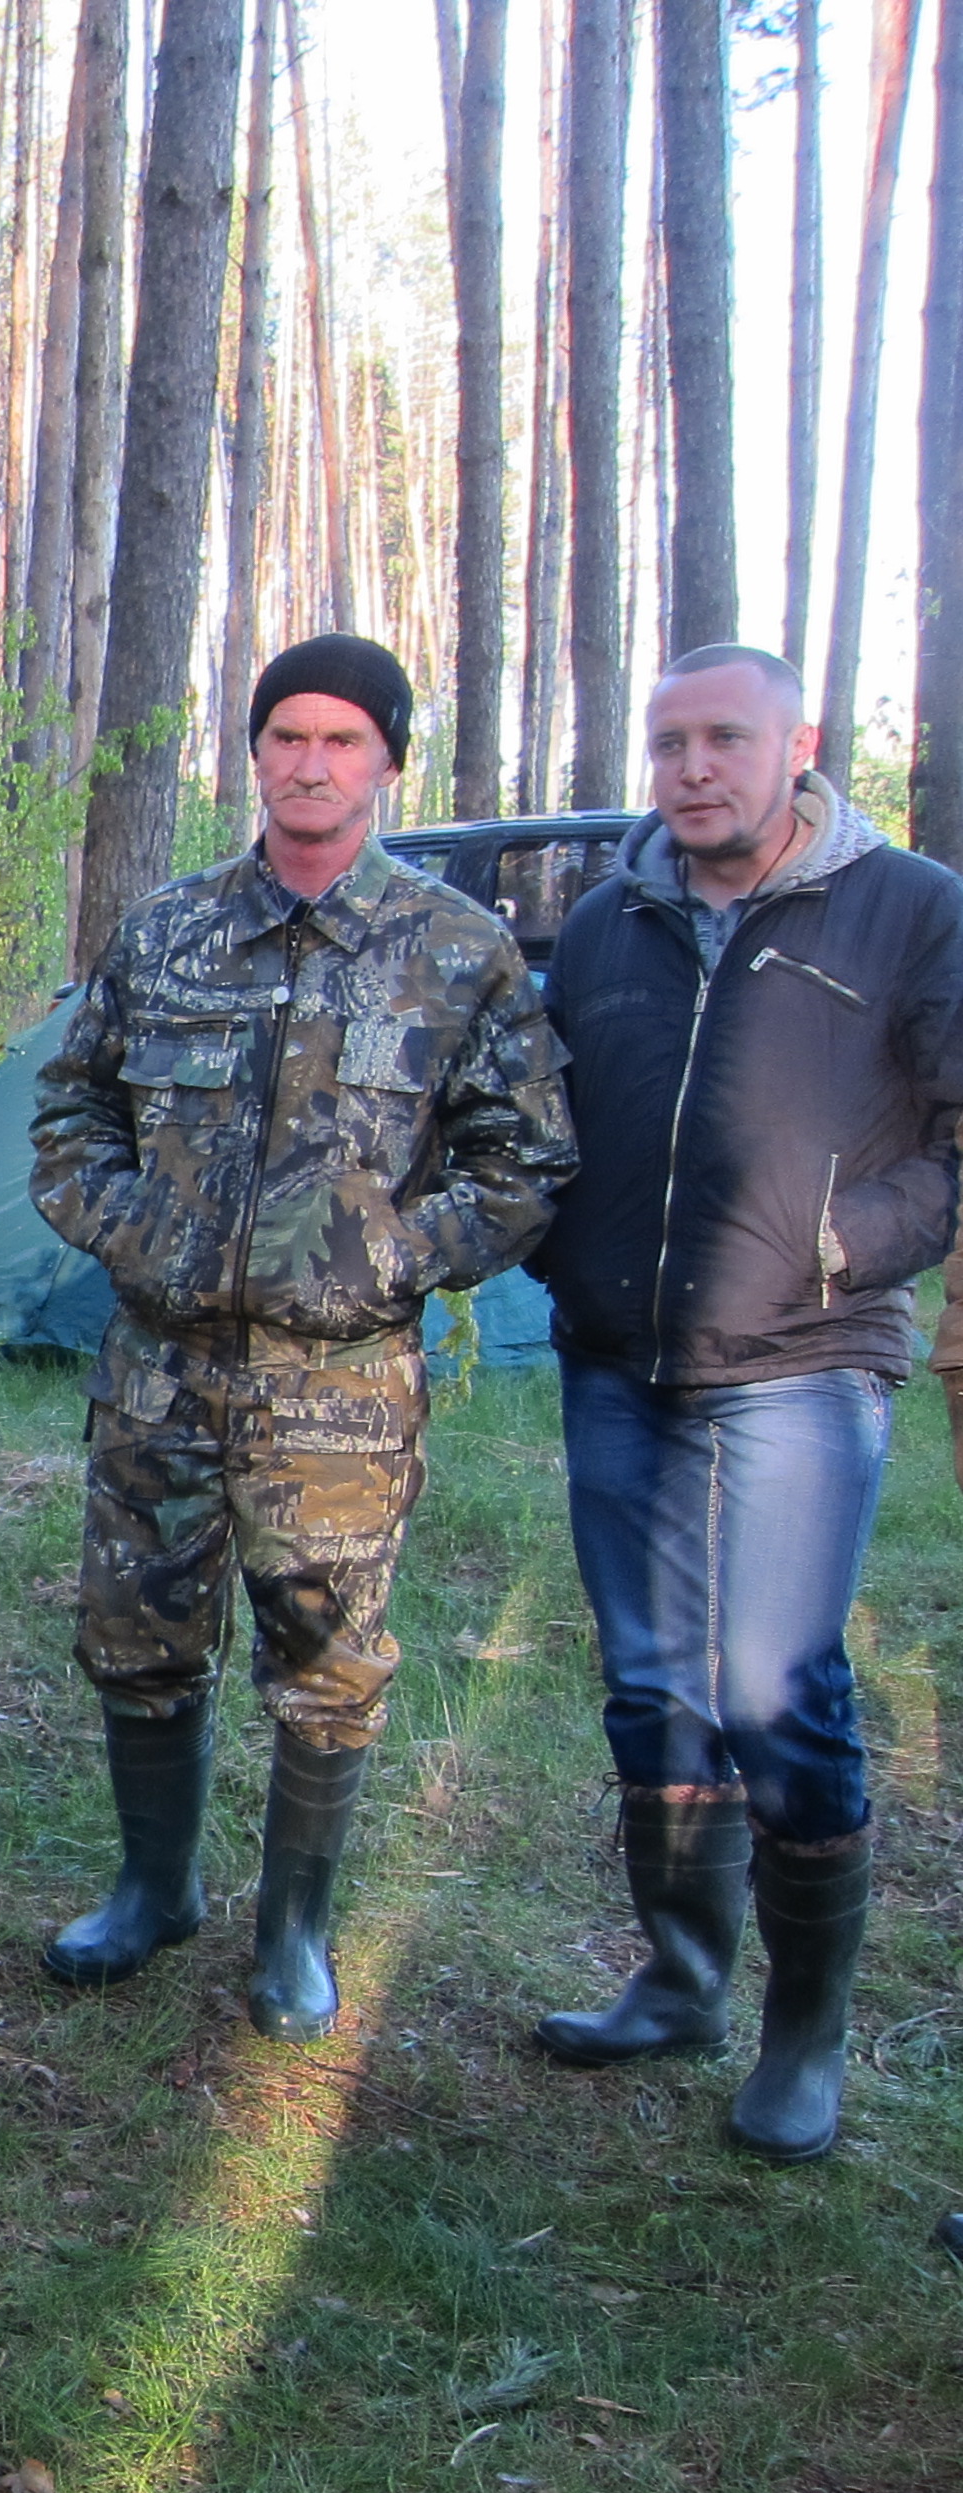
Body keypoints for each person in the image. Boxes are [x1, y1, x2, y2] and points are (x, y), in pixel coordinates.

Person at [29, 635, 575, 2039]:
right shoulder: (169, 932)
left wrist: (389, 1259)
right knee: (136, 1632)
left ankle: (294, 1934)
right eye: (288, 737)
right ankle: (155, 1890)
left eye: (342, 740)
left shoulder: (455, 950)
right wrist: (132, 1227)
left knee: (326, 1663)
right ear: (256, 753)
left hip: (338, 1386)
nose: (312, 764)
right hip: (160, 1370)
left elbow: (524, 1163)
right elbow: (72, 1110)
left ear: (387, 762)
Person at [529, 644, 963, 2163]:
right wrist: (556, 1244)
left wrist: (840, 1243)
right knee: (653, 1684)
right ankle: (679, 1979)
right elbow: (549, 1114)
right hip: (618, 1357)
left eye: (725, 737)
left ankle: (805, 2038)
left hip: (805, 1355)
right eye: (670, 743)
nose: (693, 767)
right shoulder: (610, 918)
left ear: (800, 744)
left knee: (777, 1690)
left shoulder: (910, 908)